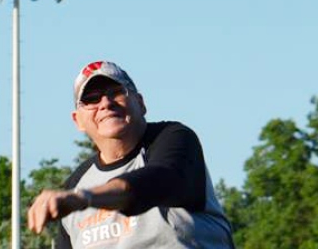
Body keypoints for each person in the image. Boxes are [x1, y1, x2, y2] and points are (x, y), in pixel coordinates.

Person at [27, 60, 234, 248]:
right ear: (77, 121)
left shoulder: (172, 139)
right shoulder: (75, 183)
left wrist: (84, 199)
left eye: (116, 91)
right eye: (91, 99)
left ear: (140, 102)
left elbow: (156, 181)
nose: (105, 103)